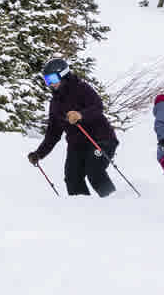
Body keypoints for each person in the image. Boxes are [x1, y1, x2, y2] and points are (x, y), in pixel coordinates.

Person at [27, 58, 117, 197]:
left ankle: (116, 203)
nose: (50, 84)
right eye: (47, 81)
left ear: (63, 74)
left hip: (101, 139)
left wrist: (80, 115)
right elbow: (53, 134)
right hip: (78, 145)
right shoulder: (55, 103)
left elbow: (98, 107)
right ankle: (83, 211)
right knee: (72, 177)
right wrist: (39, 154)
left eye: (52, 79)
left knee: (94, 171)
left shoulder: (81, 88)